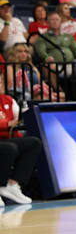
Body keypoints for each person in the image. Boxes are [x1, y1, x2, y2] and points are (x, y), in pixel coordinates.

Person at [0, 78, 41, 206]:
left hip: (6, 139)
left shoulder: (8, 100)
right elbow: (8, 123)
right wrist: (6, 123)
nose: (0, 84)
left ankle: (12, 185)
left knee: (33, 143)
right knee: (10, 148)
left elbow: (16, 124)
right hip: (5, 143)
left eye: (0, 81)